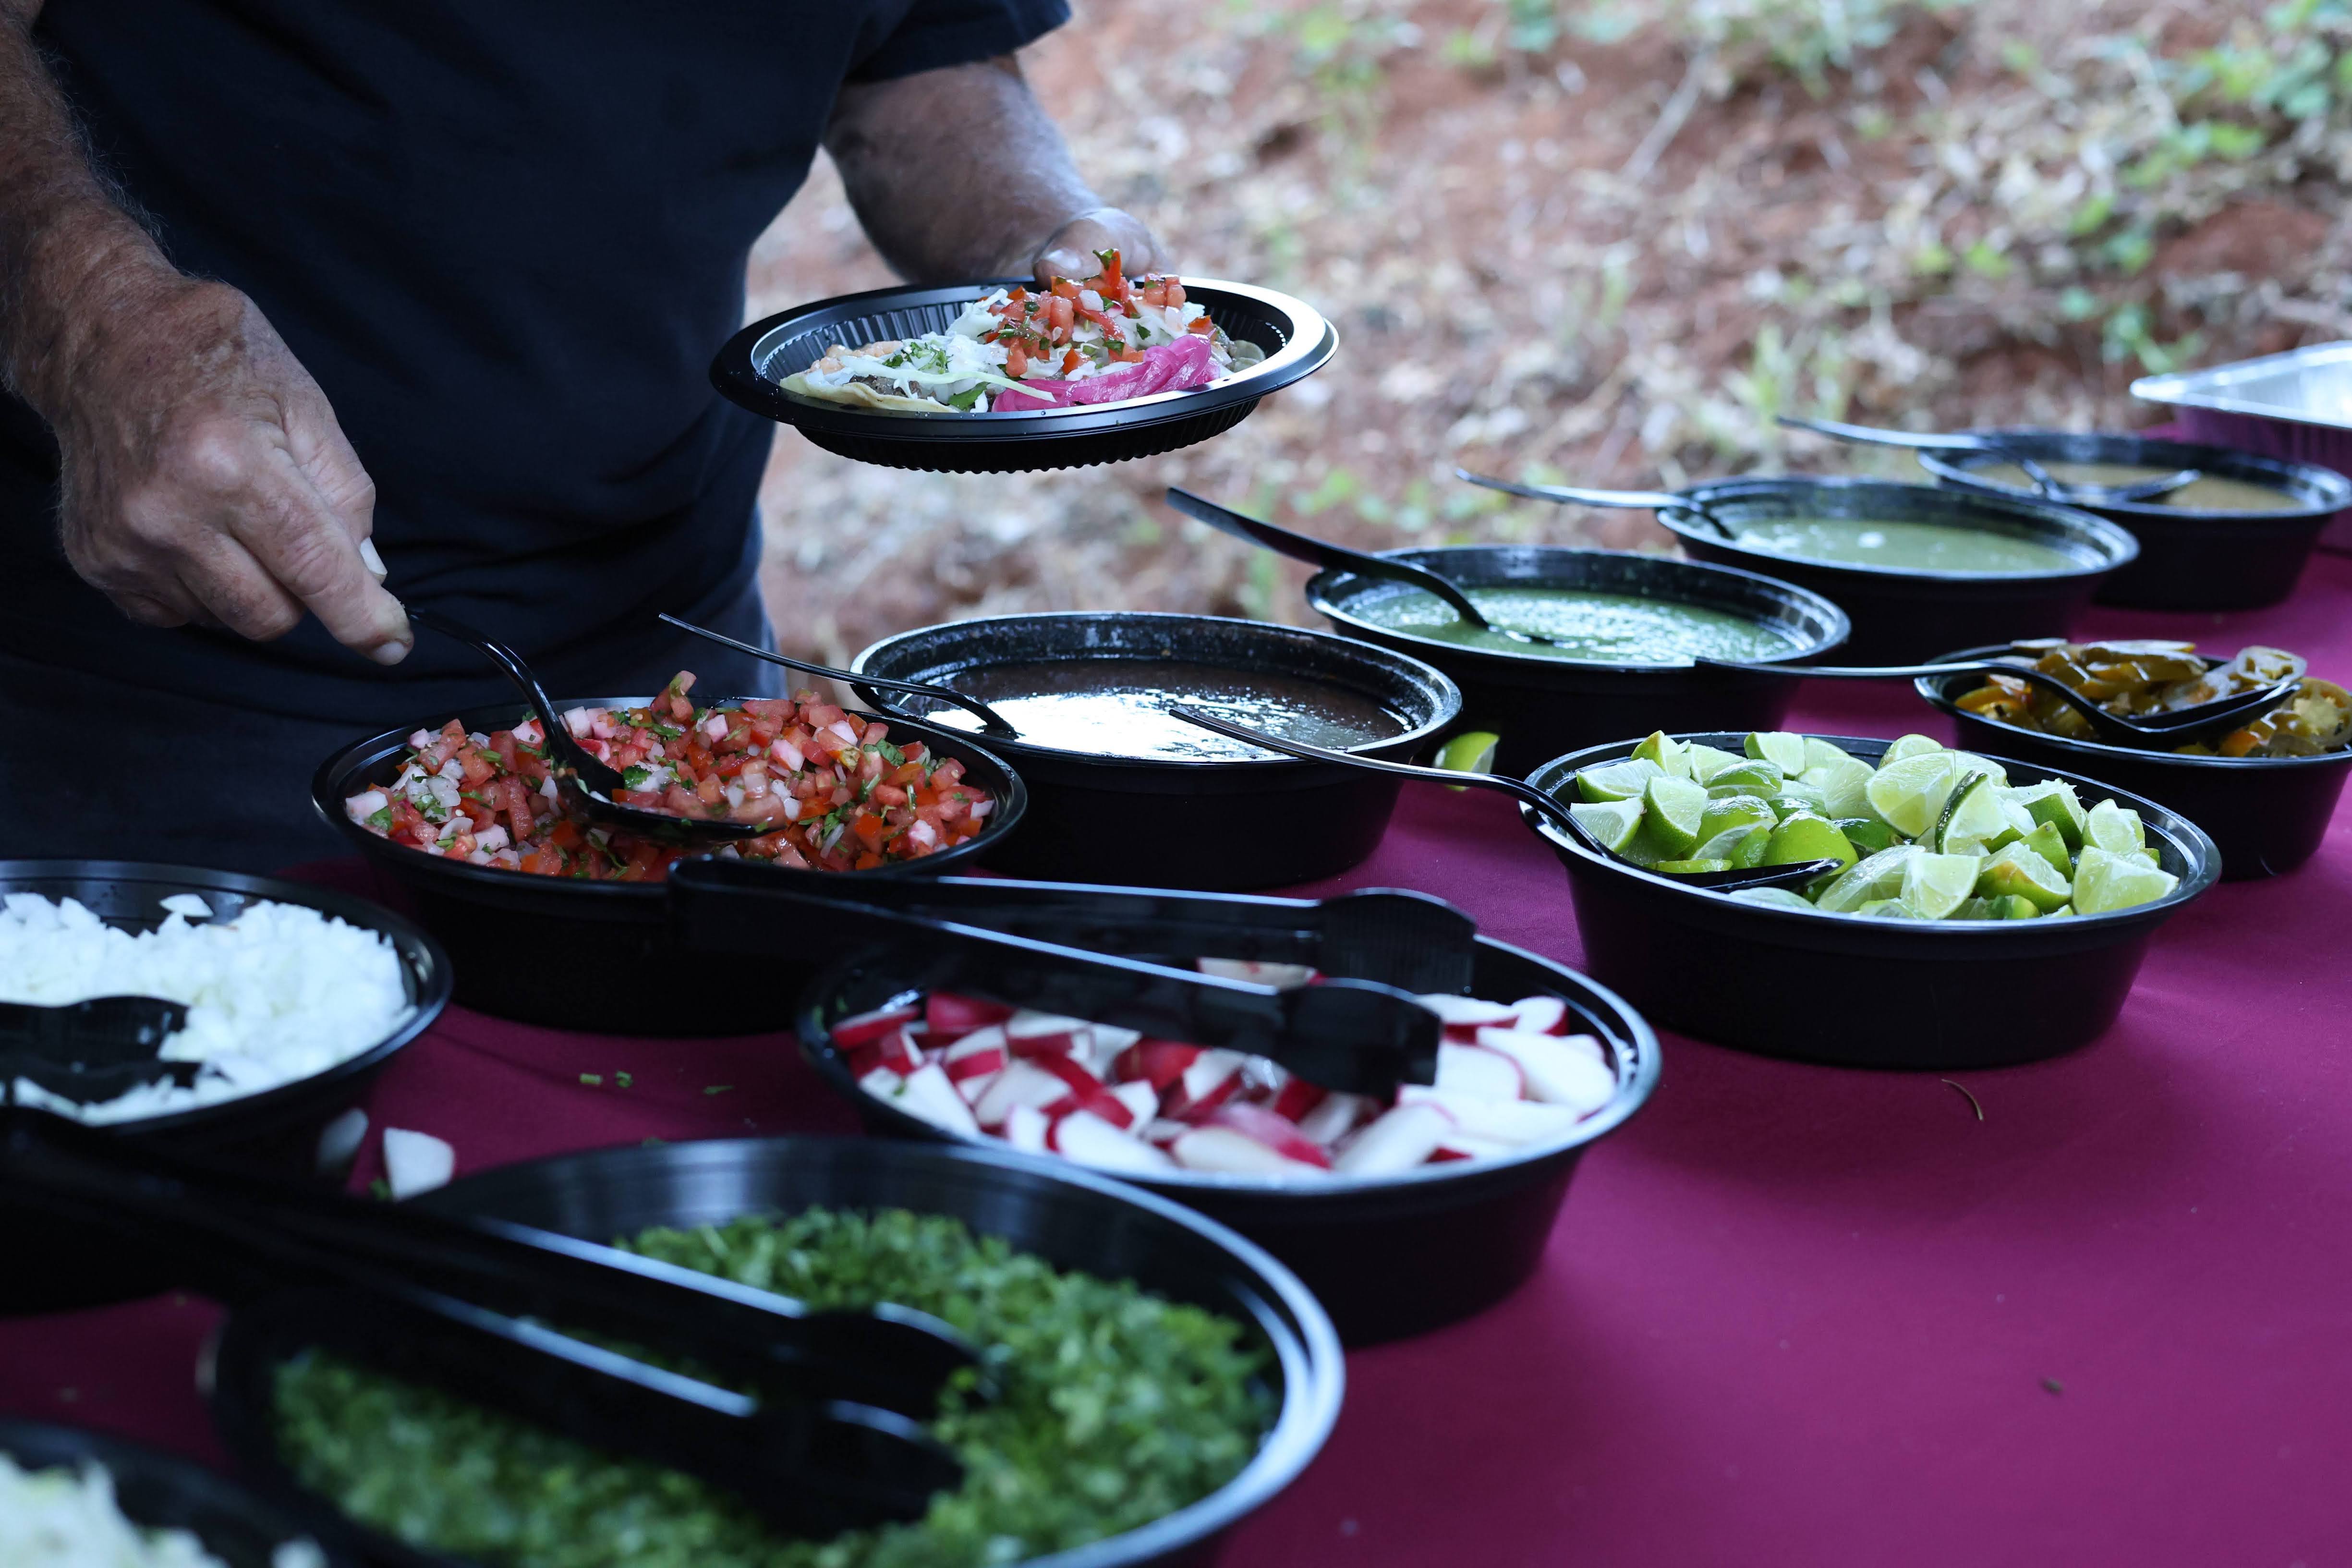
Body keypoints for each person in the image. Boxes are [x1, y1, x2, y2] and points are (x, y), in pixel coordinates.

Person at [0, 0, 1158, 871]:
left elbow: (920, 61)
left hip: (676, 666)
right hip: (149, 693)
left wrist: (1043, 247)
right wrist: (88, 311)